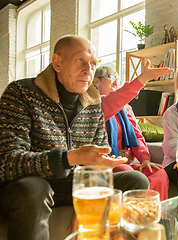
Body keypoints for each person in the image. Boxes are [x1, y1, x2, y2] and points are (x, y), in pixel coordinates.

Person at [0, 35, 149, 240]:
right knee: (34, 189)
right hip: (29, 185)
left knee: (135, 179)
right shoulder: (21, 93)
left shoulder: (93, 103)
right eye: (80, 60)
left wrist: (87, 199)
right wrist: (69, 158)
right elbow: (7, 160)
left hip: (73, 184)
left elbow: (99, 160)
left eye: (93, 63)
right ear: (57, 63)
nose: (89, 69)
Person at [93, 64, 172, 201]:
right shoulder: (94, 105)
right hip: (106, 165)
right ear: (96, 81)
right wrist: (144, 78)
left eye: (118, 79)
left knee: (158, 173)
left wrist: (145, 159)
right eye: (111, 77)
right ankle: (136, 217)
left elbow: (136, 135)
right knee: (127, 172)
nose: (116, 82)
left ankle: (157, 217)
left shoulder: (127, 108)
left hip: (127, 162)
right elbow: (113, 101)